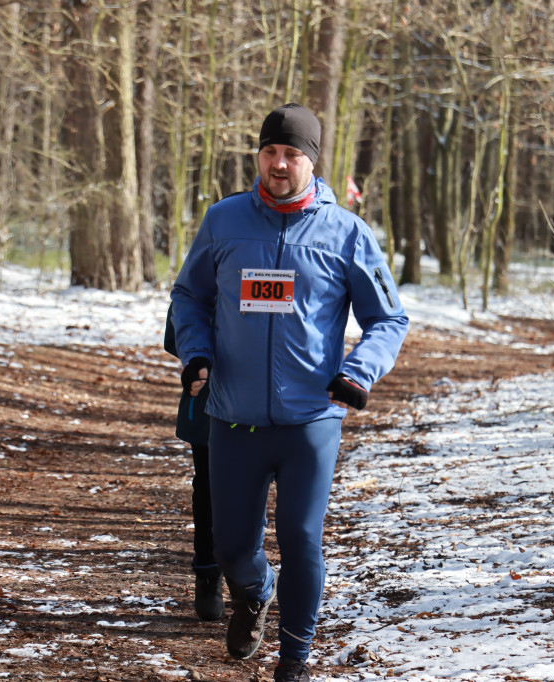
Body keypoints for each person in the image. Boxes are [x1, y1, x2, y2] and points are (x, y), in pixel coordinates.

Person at [169, 103, 408, 682]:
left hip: (310, 420)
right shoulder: (223, 221)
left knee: (302, 538)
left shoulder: (347, 233)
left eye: (292, 154)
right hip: (233, 416)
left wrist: (358, 372)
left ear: (312, 161)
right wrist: (196, 352)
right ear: (259, 155)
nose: (280, 164)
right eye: (271, 151)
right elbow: (188, 296)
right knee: (232, 550)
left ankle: (294, 661)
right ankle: (255, 592)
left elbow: (389, 319)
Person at [164, 303, 223, 622]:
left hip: (264, 402)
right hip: (208, 404)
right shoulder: (205, 268)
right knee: (210, 488)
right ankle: (208, 574)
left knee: (253, 489)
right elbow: (175, 335)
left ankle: (249, 581)